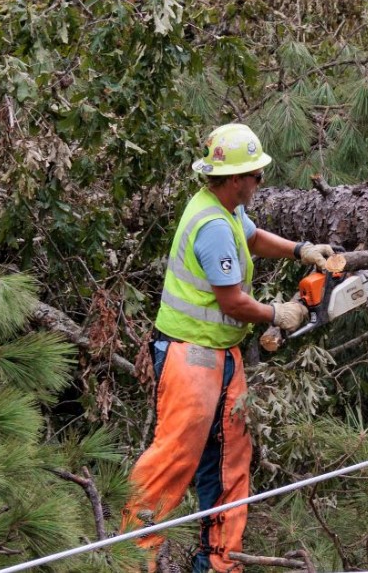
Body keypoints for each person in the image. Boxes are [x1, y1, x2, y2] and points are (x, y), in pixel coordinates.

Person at [123, 123, 334, 573]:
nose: (259, 181)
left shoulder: (227, 208)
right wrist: (277, 314)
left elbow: (254, 238)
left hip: (222, 355)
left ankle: (220, 562)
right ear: (237, 178)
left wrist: (301, 250)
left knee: (232, 460)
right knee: (174, 457)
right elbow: (232, 301)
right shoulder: (213, 225)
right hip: (190, 355)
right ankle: (128, 558)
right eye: (255, 175)